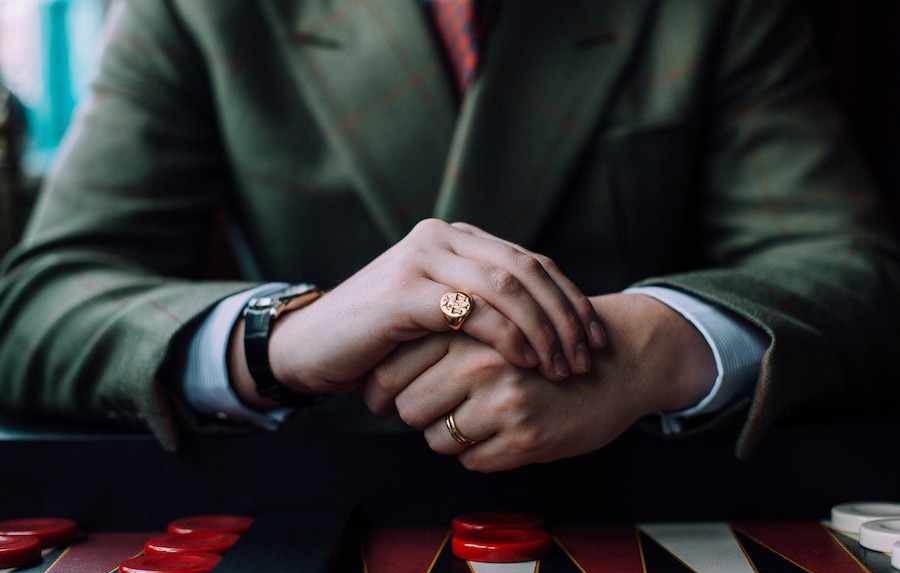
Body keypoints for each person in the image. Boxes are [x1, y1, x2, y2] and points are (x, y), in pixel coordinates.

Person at [1, 0, 898, 473]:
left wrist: (651, 347)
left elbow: (855, 274)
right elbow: (40, 304)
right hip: (315, 507)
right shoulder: (193, 9)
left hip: (635, 505)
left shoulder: (712, 7)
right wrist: (287, 335)